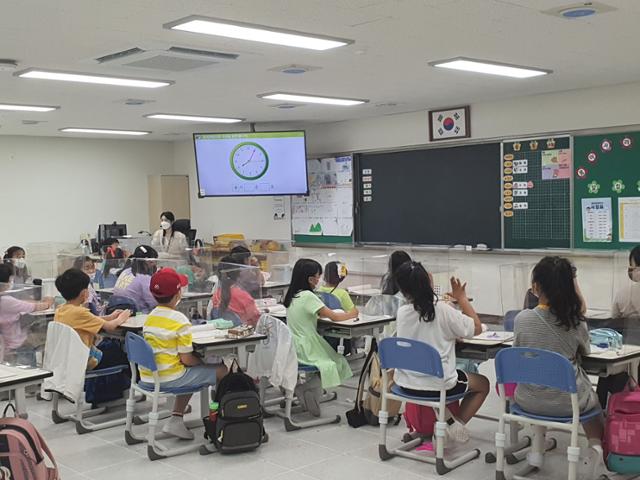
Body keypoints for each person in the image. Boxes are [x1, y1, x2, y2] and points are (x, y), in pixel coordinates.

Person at [514, 256, 607, 476]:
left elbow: (519, 351)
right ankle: (595, 449)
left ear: (535, 287)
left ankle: (536, 452)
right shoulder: (575, 322)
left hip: (526, 400)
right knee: (592, 402)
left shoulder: (522, 319)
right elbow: (586, 351)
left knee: (539, 381)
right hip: (567, 403)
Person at [393, 261, 489, 443]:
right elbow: (476, 328)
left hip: (405, 383)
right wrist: (461, 298)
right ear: (429, 282)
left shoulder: (403, 313)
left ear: (403, 290)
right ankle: (451, 425)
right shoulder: (443, 310)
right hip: (438, 385)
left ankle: (442, 423)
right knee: (482, 384)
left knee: (434, 380)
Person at [141, 268, 224, 440]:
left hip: (149, 377)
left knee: (190, 372)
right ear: (178, 293)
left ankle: (176, 419)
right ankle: (223, 418)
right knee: (221, 370)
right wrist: (203, 363)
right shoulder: (179, 320)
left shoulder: (149, 318)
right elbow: (187, 359)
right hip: (170, 378)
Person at [283, 259, 357, 415]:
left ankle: (309, 394)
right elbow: (334, 317)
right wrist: (352, 313)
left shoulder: (292, 295)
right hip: (306, 346)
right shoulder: (308, 296)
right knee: (336, 362)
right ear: (310, 279)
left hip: (293, 346)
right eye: (318, 276)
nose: (319, 280)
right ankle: (306, 389)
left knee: (331, 362)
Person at [54, 268, 131, 370]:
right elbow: (110, 327)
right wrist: (122, 317)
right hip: (88, 361)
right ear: (84, 293)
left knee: (110, 348)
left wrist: (110, 317)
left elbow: (90, 320)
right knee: (122, 355)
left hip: (70, 360)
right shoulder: (80, 312)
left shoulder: (61, 309)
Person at [597, 245, 640, 408]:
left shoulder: (624, 293)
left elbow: (614, 322)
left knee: (607, 369)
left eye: (632, 267)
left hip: (626, 360)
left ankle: (605, 411)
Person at [0, 263, 54, 362]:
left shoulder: (5, 299)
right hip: (16, 346)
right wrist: (48, 302)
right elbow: (34, 307)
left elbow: (22, 303)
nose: (11, 281)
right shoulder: (5, 301)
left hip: (9, 345)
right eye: (10, 279)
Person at [211, 257, 261, 326]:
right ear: (238, 273)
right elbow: (256, 318)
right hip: (244, 331)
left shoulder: (216, 294)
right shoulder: (243, 296)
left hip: (226, 330)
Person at [112, 246, 158, 314]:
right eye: (152, 262)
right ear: (144, 262)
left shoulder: (125, 271)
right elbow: (154, 303)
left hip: (120, 312)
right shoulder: (144, 278)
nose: (154, 264)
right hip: (139, 314)